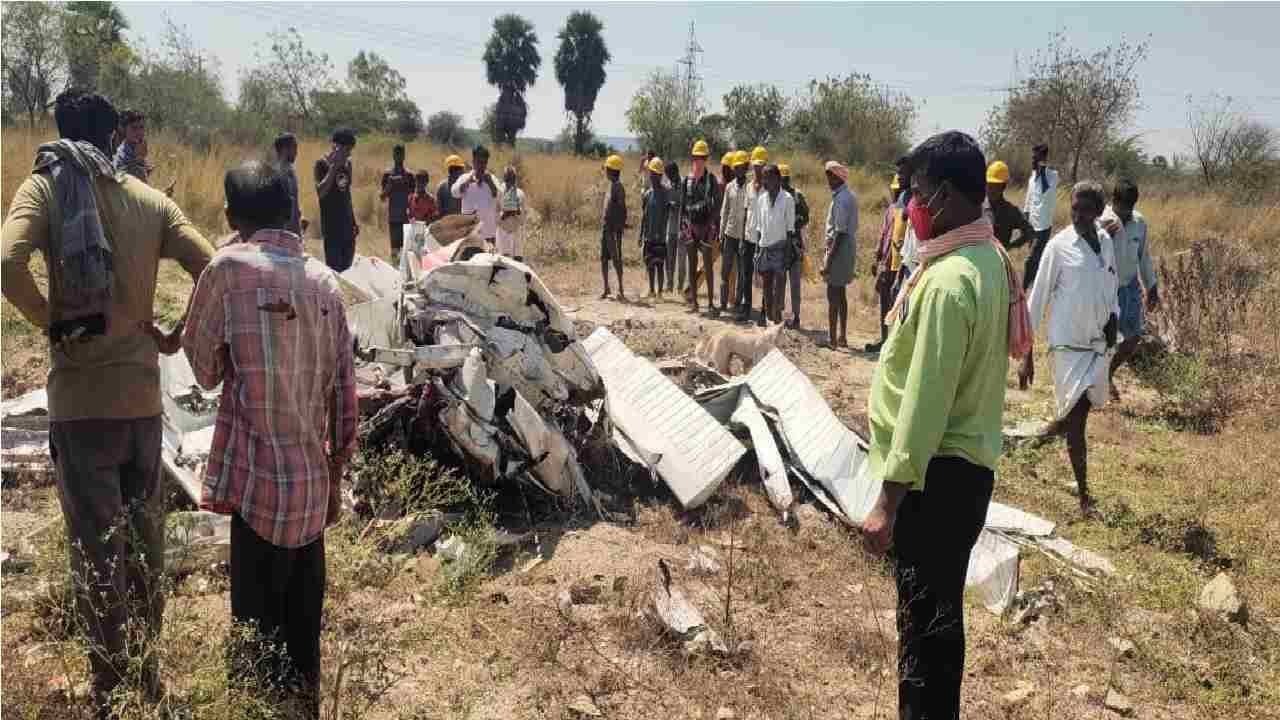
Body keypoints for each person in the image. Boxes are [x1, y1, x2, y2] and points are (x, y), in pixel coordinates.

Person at [2, 89, 214, 717]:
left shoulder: (44, 188)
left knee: (96, 550)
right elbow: (212, 265)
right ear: (113, 134)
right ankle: (147, 677)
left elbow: (7, 260)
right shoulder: (148, 199)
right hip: (144, 406)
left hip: (81, 403)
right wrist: (177, 332)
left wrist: (49, 321)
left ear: (59, 131)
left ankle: (110, 692)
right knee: (146, 544)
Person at [174, 161, 357, 717]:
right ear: (291, 215)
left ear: (232, 217)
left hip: (256, 495)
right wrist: (334, 483)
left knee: (254, 645)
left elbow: (203, 369)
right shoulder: (325, 283)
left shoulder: (227, 269)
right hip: (309, 496)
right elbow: (345, 402)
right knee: (304, 647)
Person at [863, 131, 1025, 720]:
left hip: (934, 480)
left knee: (921, 631)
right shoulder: (985, 260)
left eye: (921, 192)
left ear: (950, 196)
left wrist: (888, 498)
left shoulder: (951, 280)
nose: (913, 204)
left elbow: (926, 401)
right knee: (940, 624)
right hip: (966, 476)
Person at [1020, 181, 1119, 516]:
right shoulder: (1058, 247)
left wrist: (1113, 320)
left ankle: (1047, 434)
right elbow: (1037, 301)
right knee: (1078, 421)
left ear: (1097, 211)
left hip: (1097, 346)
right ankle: (1085, 499)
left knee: (1081, 411)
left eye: (1085, 209)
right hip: (1066, 347)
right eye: (1074, 208)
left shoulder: (1105, 242)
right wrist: (1026, 355)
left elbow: (1111, 285)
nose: (1077, 214)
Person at [1102, 178, 1159, 399]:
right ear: (1114, 200)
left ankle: (1108, 374)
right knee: (1103, 340)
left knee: (1133, 338)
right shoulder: (1102, 220)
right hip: (1107, 290)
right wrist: (1103, 235)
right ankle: (1095, 383)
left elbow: (1143, 257)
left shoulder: (1139, 222)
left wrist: (1152, 287)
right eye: (1122, 206)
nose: (1126, 212)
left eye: (1130, 206)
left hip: (1130, 287)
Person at [749, 164, 795, 325]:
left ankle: (777, 321)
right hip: (764, 247)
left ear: (777, 179)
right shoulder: (761, 199)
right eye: (763, 178)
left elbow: (790, 231)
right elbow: (759, 228)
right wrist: (757, 251)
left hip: (780, 248)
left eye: (767, 178)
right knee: (767, 287)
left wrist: (787, 255)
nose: (764, 181)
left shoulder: (788, 199)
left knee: (779, 289)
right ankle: (769, 321)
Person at [820, 161, 858, 347]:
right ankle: (841, 337)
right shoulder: (844, 196)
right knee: (840, 295)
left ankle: (833, 339)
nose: (828, 180)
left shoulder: (842, 199)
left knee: (833, 295)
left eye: (831, 176)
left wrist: (828, 262)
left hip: (839, 251)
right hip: (843, 250)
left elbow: (840, 233)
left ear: (838, 177)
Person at [867, 175, 904, 353]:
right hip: (886, 263)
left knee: (896, 303)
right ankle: (884, 340)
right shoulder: (890, 209)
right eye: (894, 190)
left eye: (899, 190)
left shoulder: (907, 211)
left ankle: (893, 343)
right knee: (884, 301)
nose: (896, 193)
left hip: (899, 265)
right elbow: (883, 235)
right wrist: (876, 258)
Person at [314, 128, 359, 272]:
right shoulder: (321, 164)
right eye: (347, 150)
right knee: (335, 272)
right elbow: (321, 193)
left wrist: (353, 221)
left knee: (348, 272)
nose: (349, 154)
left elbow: (347, 194)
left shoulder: (348, 165)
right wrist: (334, 168)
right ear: (336, 147)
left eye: (350, 150)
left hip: (347, 228)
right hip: (332, 228)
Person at [682, 139, 719, 313]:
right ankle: (694, 303)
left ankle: (711, 303)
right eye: (695, 157)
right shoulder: (687, 180)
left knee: (708, 267)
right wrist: (685, 228)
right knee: (691, 265)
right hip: (691, 227)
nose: (698, 161)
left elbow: (716, 205)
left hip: (705, 228)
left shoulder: (712, 180)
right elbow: (683, 206)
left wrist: (712, 227)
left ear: (706, 159)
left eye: (701, 157)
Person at [1022, 142, 1060, 289]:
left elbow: (1046, 192)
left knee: (1030, 261)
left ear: (1042, 159)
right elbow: (1028, 200)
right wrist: (1024, 223)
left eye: (1035, 158)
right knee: (1037, 261)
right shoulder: (1032, 177)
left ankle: (1023, 290)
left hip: (1043, 227)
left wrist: (1043, 172)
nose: (1032, 161)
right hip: (1032, 225)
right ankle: (1037, 289)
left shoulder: (1052, 176)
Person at [736, 146, 768, 322]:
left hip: (762, 239)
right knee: (746, 274)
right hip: (748, 237)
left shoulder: (770, 189)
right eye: (755, 165)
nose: (758, 169)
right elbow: (745, 213)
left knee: (763, 276)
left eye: (761, 165)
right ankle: (746, 308)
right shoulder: (748, 187)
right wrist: (741, 238)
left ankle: (764, 311)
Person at [719, 151, 750, 317]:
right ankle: (723, 304)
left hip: (744, 236)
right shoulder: (729, 187)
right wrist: (721, 233)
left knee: (742, 273)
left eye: (742, 167)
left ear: (746, 168)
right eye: (736, 168)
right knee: (725, 270)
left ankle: (738, 303)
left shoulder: (751, 187)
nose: (739, 170)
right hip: (729, 234)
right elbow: (724, 211)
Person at [779, 163, 809, 329]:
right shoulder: (776, 196)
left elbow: (806, 217)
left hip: (795, 246)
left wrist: (793, 224)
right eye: (781, 179)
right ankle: (782, 316)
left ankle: (796, 317)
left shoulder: (797, 196)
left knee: (795, 284)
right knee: (782, 282)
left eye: (785, 179)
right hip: (782, 245)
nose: (783, 182)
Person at [452, 144, 500, 246]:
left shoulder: (492, 179)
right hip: (468, 232)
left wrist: (490, 183)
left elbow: (500, 197)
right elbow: (454, 192)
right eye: (479, 162)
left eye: (484, 162)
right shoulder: (465, 177)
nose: (481, 165)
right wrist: (467, 182)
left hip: (488, 233)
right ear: (473, 161)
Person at [984, 160, 1035, 249]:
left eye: (995, 186)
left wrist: (1010, 247)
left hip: (999, 261)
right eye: (989, 185)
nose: (990, 189)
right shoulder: (978, 208)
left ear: (1003, 186)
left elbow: (1029, 232)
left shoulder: (1011, 212)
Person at [640, 156, 671, 298]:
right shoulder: (647, 194)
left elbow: (668, 214)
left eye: (657, 175)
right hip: (649, 236)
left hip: (661, 236)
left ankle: (659, 292)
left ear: (660, 176)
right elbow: (644, 216)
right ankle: (651, 290)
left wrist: (663, 234)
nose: (654, 177)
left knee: (660, 265)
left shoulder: (666, 194)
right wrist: (641, 235)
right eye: (652, 174)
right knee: (650, 264)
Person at [380, 144, 414, 261]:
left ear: (404, 156)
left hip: (407, 217)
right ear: (393, 155)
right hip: (394, 217)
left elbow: (414, 197)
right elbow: (382, 197)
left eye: (401, 153)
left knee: (407, 251)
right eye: (397, 153)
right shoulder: (387, 174)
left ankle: (406, 276)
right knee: (394, 250)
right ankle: (394, 273)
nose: (399, 156)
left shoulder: (409, 175)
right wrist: (390, 184)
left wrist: (404, 183)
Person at [600, 154, 628, 300]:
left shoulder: (618, 188)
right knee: (604, 258)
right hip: (606, 227)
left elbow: (622, 209)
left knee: (616, 259)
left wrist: (619, 227)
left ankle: (621, 289)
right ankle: (606, 289)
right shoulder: (611, 185)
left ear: (612, 171)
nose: (605, 171)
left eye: (607, 169)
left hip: (613, 228)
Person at [274, 133, 308, 236]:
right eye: (294, 147)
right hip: (285, 235)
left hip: (293, 232)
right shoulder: (279, 173)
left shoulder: (290, 170)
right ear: (285, 149)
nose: (296, 152)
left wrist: (299, 218)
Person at [662, 159, 685, 293]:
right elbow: (664, 204)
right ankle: (669, 284)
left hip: (682, 228)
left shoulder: (685, 184)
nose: (670, 178)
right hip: (670, 226)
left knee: (681, 259)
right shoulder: (667, 185)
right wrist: (669, 204)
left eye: (671, 174)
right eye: (668, 175)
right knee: (669, 258)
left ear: (676, 172)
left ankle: (680, 286)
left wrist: (680, 205)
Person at [496, 165, 527, 261]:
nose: (510, 182)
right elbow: (493, 216)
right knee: (504, 263)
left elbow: (523, 220)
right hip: (503, 232)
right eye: (507, 179)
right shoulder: (499, 194)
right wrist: (504, 215)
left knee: (518, 262)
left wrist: (517, 211)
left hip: (516, 232)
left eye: (512, 179)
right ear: (504, 179)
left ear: (515, 179)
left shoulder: (520, 194)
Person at [114, 108, 151, 182]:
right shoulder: (122, 155)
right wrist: (138, 161)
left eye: (141, 127)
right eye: (134, 128)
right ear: (124, 130)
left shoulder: (137, 148)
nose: (139, 132)